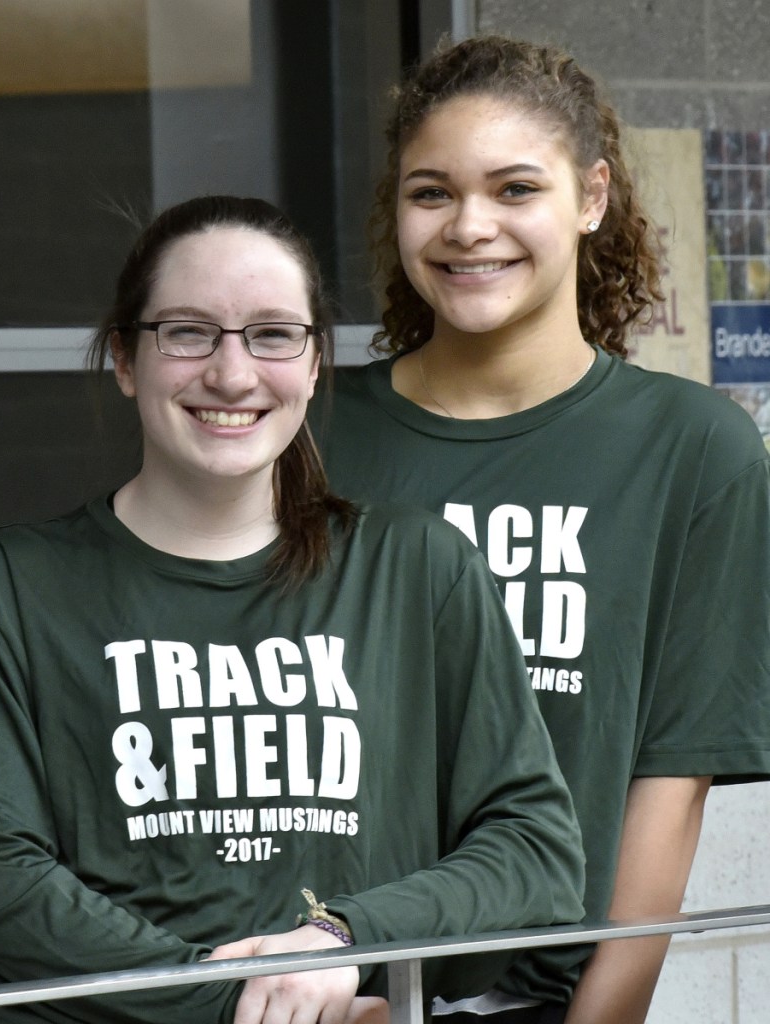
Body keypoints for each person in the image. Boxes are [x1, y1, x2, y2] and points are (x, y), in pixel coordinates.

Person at [0, 194, 586, 1024]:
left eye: (272, 334)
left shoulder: (417, 569)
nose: (231, 374)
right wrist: (243, 1006)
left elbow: (534, 852)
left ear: (310, 365)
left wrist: (345, 941)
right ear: (126, 358)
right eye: (188, 332)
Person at [310, 33, 770, 1024]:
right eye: (429, 192)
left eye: (514, 188)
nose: (468, 226)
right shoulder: (309, 431)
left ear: (590, 197)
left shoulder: (693, 450)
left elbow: (668, 787)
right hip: (312, 988)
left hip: (529, 999)